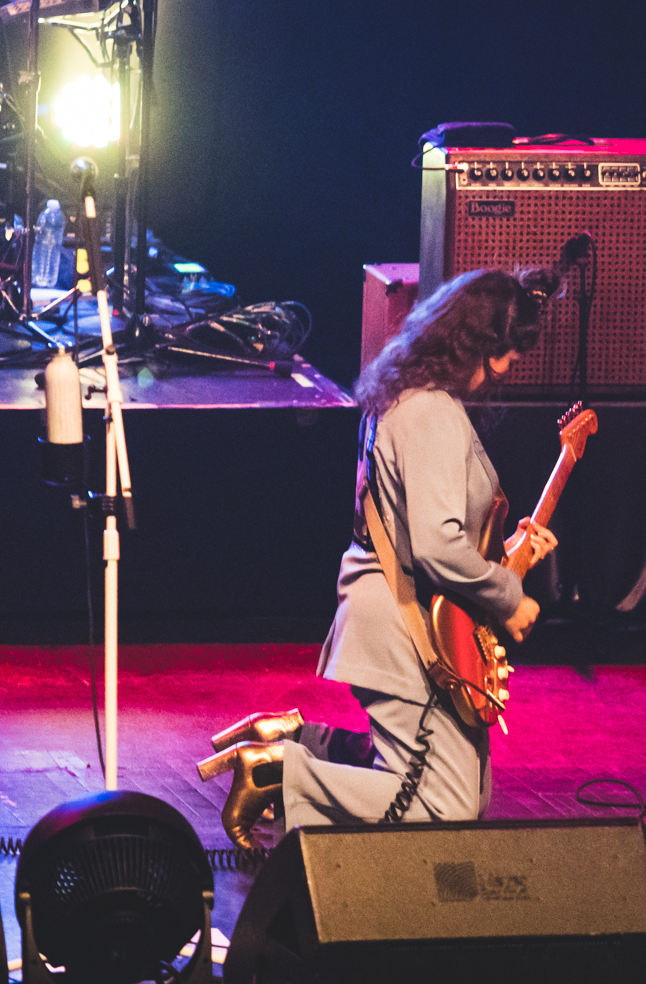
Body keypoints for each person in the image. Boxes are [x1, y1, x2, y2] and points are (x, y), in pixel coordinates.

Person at [197, 268, 560, 849]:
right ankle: (277, 772)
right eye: (508, 354)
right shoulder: (432, 413)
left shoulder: (404, 399)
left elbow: (421, 528)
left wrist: (503, 554)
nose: (511, 368)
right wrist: (510, 596)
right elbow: (438, 547)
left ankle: (299, 742)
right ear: (480, 345)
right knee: (445, 807)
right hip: (402, 623)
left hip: (397, 612)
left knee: (470, 792)